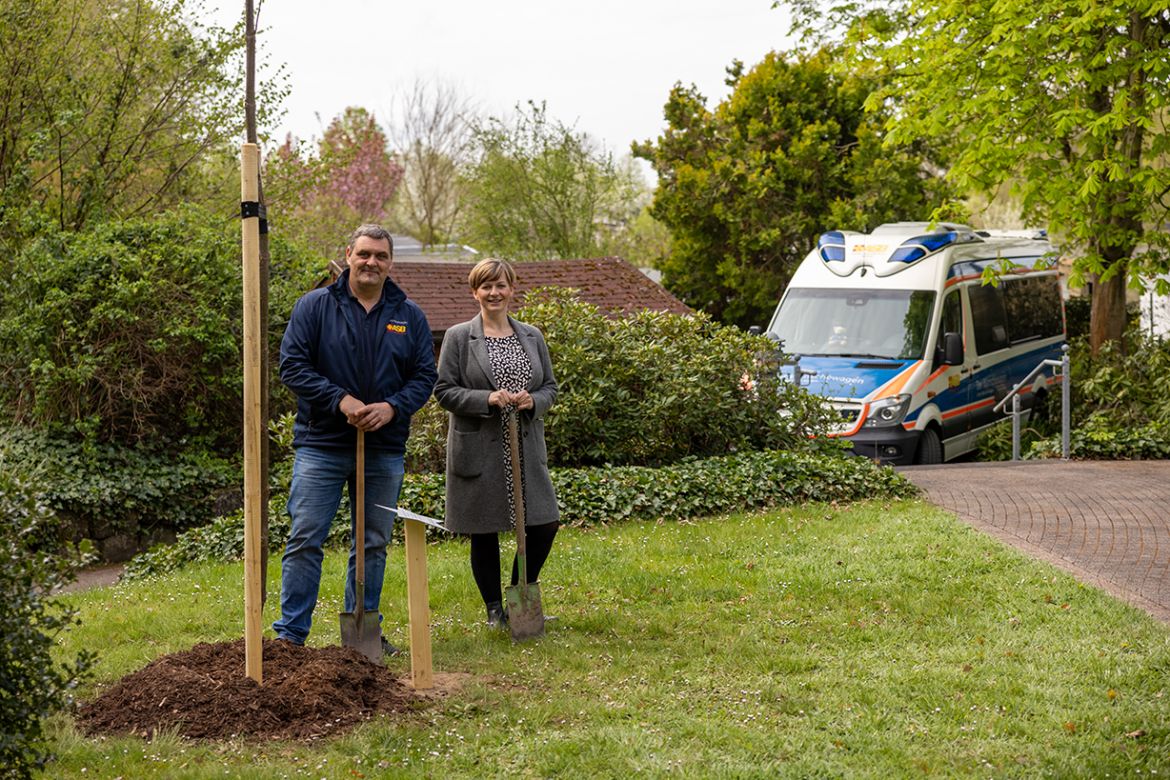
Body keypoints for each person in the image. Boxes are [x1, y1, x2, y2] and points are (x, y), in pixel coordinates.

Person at [273, 224, 437, 654]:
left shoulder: (409, 316)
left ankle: (361, 636)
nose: (371, 263)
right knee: (306, 538)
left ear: (390, 263)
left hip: (383, 449)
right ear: (348, 254)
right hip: (321, 445)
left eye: (380, 256)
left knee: (372, 543)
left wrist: (392, 408)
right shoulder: (315, 307)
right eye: (364, 254)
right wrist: (340, 400)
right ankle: (290, 638)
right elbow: (292, 366)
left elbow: (424, 376)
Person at [434, 258, 560, 628]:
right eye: (486, 286)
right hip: (480, 447)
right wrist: (485, 400)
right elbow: (443, 390)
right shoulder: (459, 337)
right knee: (485, 529)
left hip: (524, 447)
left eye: (501, 285)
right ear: (475, 292)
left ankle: (521, 594)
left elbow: (549, 387)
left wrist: (533, 401)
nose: (494, 292)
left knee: (543, 523)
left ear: (512, 289)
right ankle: (494, 610)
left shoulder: (532, 336)